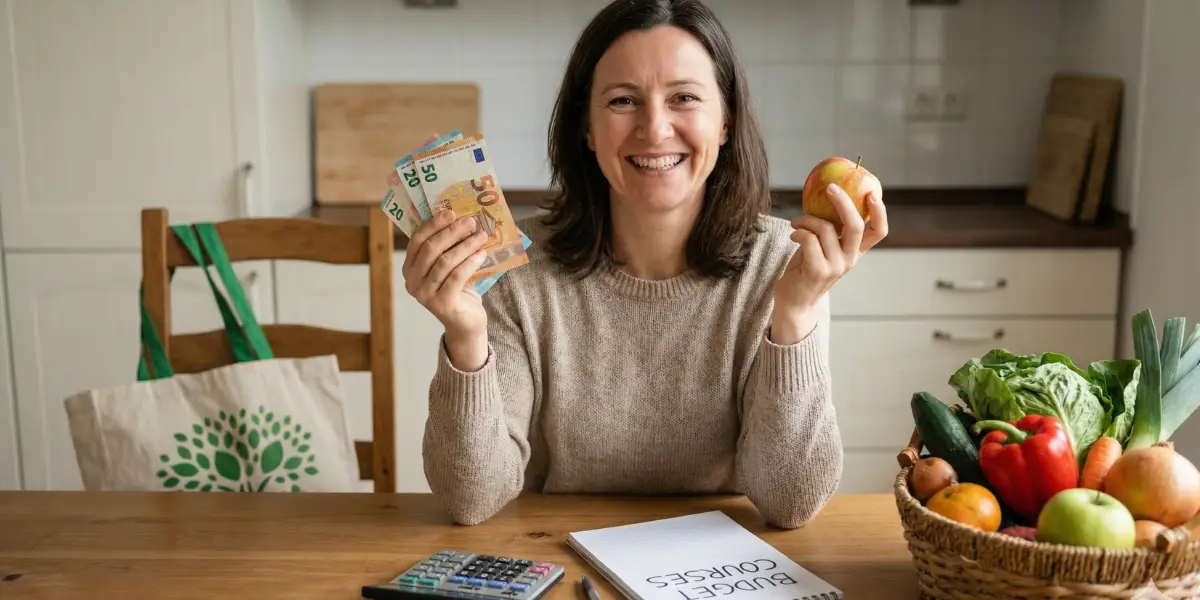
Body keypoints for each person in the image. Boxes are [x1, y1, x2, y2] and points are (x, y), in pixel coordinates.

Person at [401, 0, 888, 529]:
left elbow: (790, 502)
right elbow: (472, 500)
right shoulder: (518, 269)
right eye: (623, 101)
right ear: (587, 128)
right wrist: (466, 339)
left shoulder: (785, 264)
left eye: (684, 98)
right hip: (556, 549)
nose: (654, 130)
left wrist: (793, 316)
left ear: (725, 122)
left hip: (717, 560)